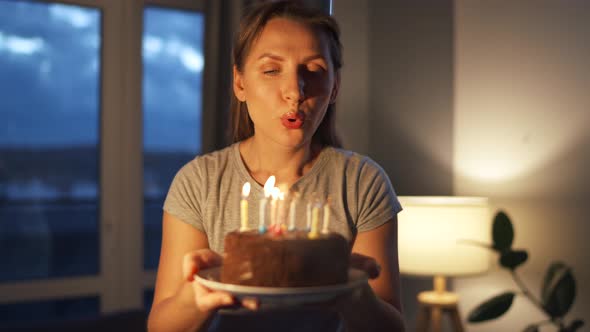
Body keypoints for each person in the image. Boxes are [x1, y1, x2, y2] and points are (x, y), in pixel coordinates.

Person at [147, 1, 405, 331]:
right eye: (271, 70)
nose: (294, 92)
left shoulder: (362, 183)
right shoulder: (198, 183)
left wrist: (353, 292)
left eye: (313, 71)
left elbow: (392, 326)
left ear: (335, 86)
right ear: (240, 83)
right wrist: (196, 296)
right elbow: (160, 326)